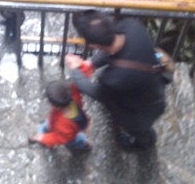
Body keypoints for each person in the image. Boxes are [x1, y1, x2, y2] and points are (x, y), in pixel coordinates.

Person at [65, 12, 166, 150]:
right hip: (152, 84)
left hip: (144, 109)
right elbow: (114, 47)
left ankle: (145, 143)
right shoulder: (132, 26)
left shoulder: (115, 79)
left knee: (139, 129)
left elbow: (97, 93)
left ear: (93, 45)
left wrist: (75, 70)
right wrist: (92, 63)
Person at [28, 79, 91, 153]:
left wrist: (44, 138)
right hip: (61, 125)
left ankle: (84, 145)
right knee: (47, 126)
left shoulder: (63, 122)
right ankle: (41, 136)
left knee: (75, 140)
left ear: (56, 106)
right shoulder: (73, 93)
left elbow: (60, 138)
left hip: (67, 134)